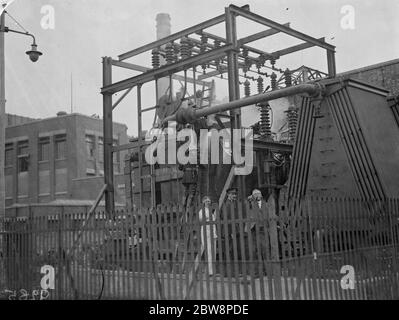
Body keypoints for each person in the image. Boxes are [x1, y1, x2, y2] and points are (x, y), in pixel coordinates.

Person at [198, 196, 218, 275]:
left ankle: (212, 270)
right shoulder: (201, 211)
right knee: (209, 251)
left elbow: (213, 219)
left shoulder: (210, 211)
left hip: (212, 231)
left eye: (209, 201)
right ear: (203, 202)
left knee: (213, 251)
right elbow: (202, 219)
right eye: (206, 201)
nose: (208, 203)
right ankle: (210, 271)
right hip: (206, 231)